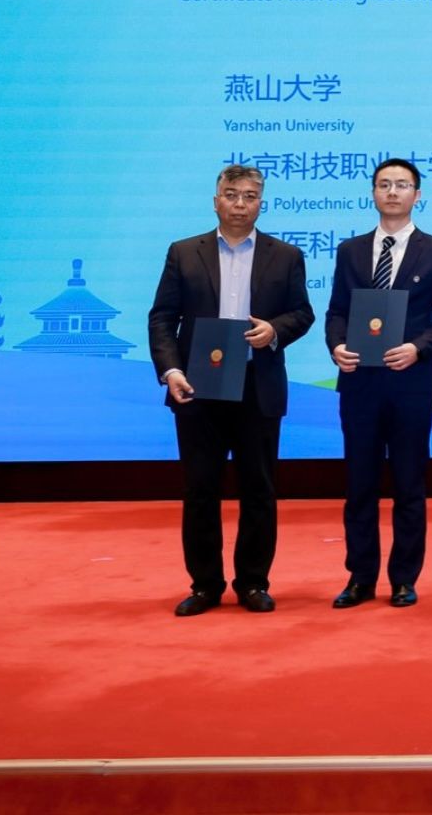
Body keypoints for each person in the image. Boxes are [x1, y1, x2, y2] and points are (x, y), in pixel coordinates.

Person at [147, 164, 315, 617]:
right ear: (216, 200)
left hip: (257, 386)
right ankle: (205, 585)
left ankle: (253, 583)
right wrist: (171, 370)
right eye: (232, 195)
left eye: (250, 196)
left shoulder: (286, 255)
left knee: (258, 489)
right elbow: (162, 317)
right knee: (200, 489)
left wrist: (274, 330)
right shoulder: (184, 252)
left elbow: (302, 313)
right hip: (198, 386)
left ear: (262, 202)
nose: (240, 204)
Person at [324, 158, 432, 609]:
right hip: (359, 385)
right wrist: (337, 346)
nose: (392, 192)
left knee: (409, 483)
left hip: (412, 385)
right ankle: (359, 578)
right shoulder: (350, 250)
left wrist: (418, 348)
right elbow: (337, 311)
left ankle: (404, 578)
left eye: (402, 185)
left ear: (417, 195)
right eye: (384, 184)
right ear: (373, 192)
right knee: (359, 485)